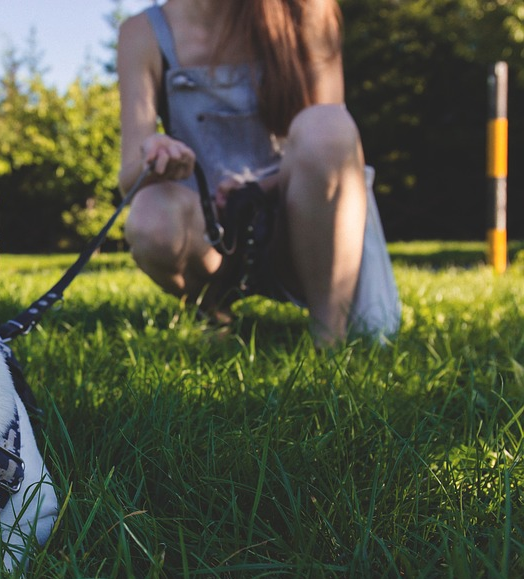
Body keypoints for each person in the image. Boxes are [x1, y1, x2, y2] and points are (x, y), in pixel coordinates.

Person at [117, 0, 400, 346]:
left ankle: (330, 335)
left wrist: (254, 187)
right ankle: (212, 308)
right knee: (149, 214)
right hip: (211, 232)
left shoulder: (308, 10)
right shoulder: (141, 33)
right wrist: (155, 154)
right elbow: (129, 178)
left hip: (299, 223)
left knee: (326, 125)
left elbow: (335, 145)